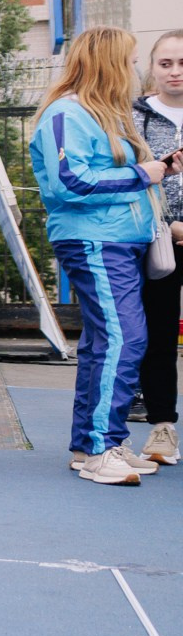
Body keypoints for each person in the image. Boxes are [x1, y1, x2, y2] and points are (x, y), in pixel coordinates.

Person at [31, 27, 167, 486]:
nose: (134, 70)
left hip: (114, 241)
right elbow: (70, 182)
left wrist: (149, 170)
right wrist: (141, 174)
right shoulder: (67, 113)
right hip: (95, 241)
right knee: (124, 338)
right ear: (108, 64)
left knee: (105, 343)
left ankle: (92, 444)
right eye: (127, 62)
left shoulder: (102, 114)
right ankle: (100, 447)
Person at [134, 29, 183, 466]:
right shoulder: (135, 117)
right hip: (159, 241)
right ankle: (162, 427)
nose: (175, 72)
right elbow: (128, 178)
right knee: (159, 335)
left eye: (182, 63)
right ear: (152, 68)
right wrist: (170, 225)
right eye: (166, 63)